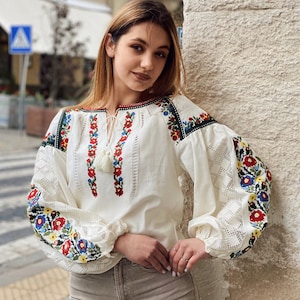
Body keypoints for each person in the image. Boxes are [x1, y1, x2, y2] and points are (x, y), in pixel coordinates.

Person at [26, 0, 272, 299]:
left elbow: (249, 173)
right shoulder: (67, 123)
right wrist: (118, 240)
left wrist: (207, 241)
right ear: (111, 45)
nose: (148, 64)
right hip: (89, 285)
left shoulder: (174, 115)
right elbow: (43, 207)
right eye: (137, 47)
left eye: (160, 54)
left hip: (161, 283)